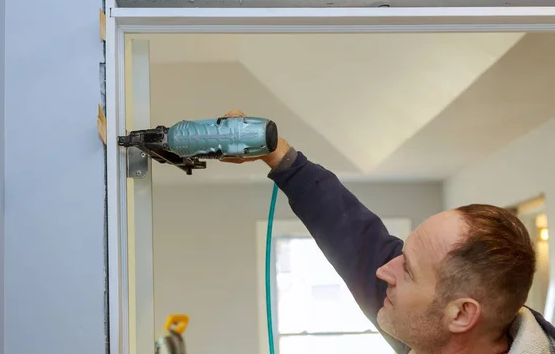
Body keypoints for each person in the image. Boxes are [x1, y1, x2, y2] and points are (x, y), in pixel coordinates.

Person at [221, 110, 555, 354]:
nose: (383, 269)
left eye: (407, 269)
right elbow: (352, 235)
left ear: (461, 314)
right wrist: (277, 154)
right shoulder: (425, 324)